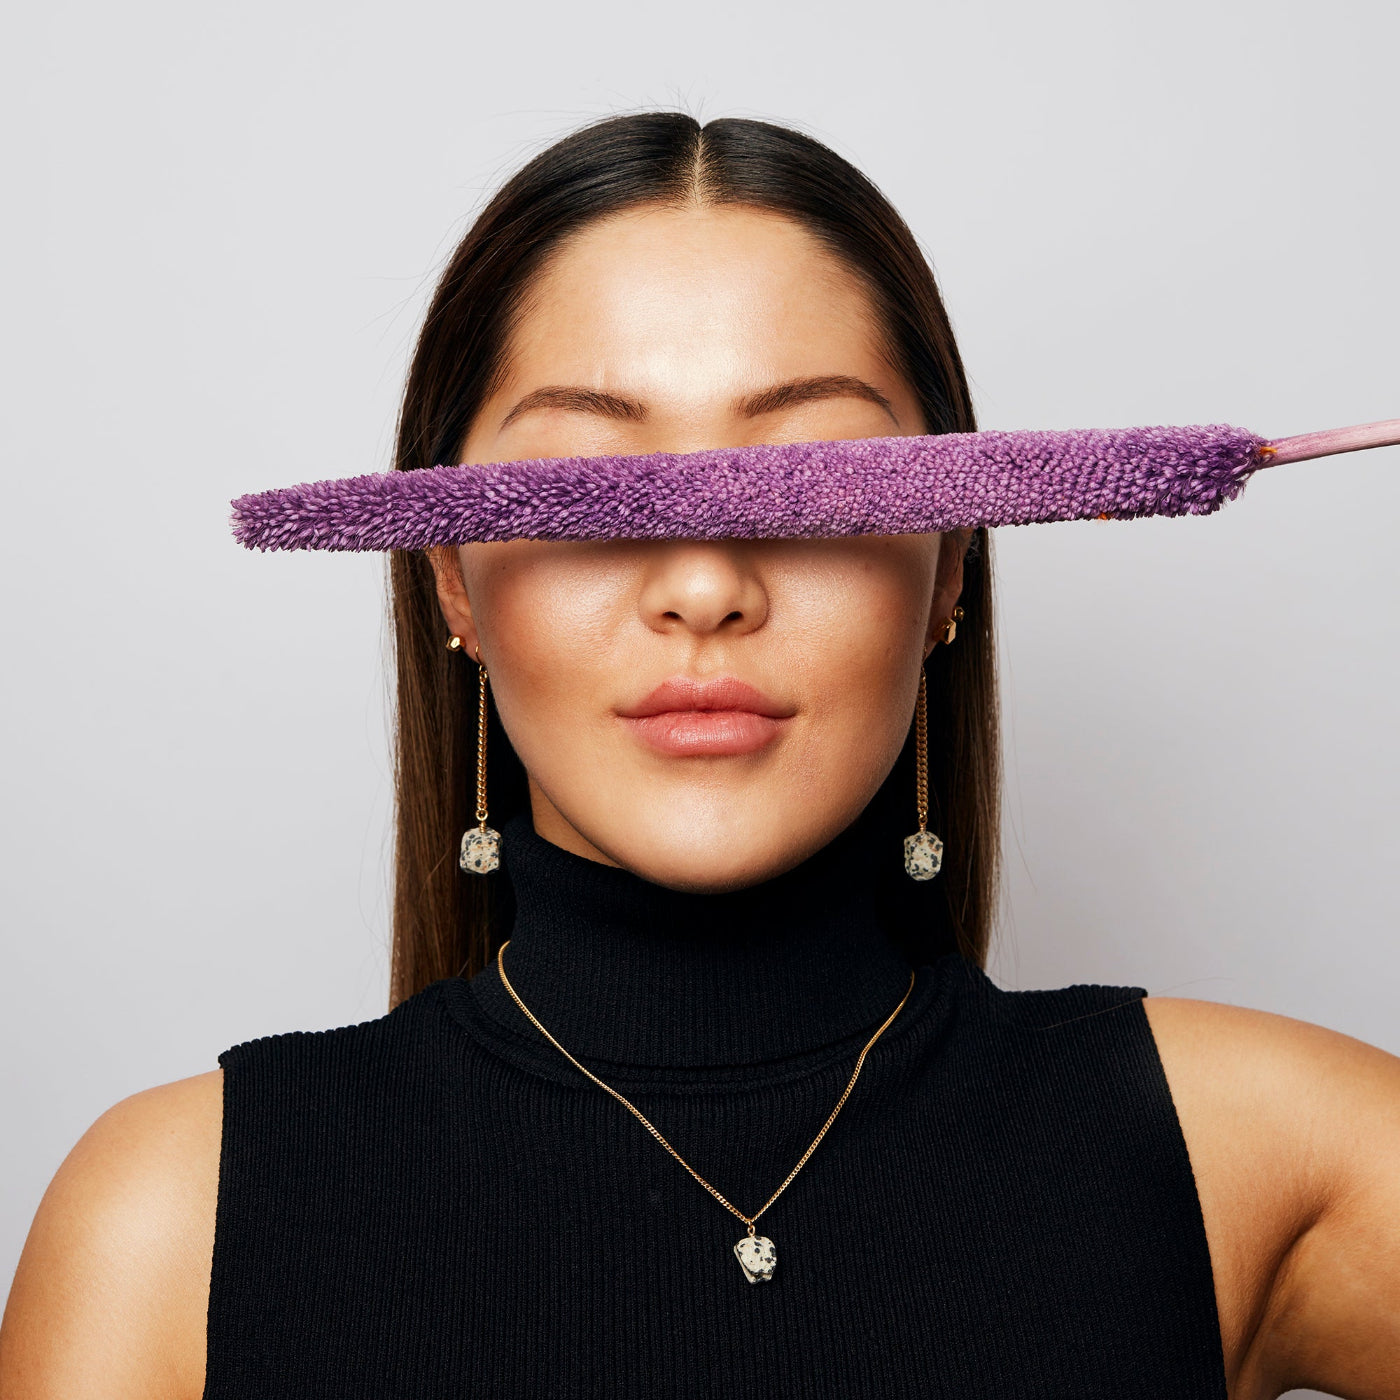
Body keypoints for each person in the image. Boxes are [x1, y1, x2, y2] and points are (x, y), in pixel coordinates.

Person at [1, 111, 1397, 1400]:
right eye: (586, 486)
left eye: (826, 480)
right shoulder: (170, 1224)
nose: (706, 583)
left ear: (951, 569)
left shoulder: (1262, 1157)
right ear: (448, 582)